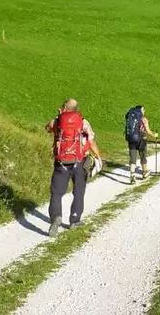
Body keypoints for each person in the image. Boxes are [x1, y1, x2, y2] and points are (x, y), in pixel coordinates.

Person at [46, 98, 101, 237]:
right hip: (79, 162)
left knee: (57, 193)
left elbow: (47, 128)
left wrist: (58, 117)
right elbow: (91, 141)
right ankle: (74, 220)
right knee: (78, 191)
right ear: (76, 109)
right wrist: (99, 157)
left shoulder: (58, 121)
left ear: (64, 107)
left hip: (61, 163)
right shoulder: (82, 122)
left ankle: (56, 218)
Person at [125, 106, 159, 184]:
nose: (144, 111)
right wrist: (155, 135)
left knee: (132, 157)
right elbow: (148, 131)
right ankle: (144, 172)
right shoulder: (144, 119)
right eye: (143, 110)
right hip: (141, 139)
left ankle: (132, 176)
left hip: (131, 139)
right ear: (140, 111)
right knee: (143, 156)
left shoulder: (130, 118)